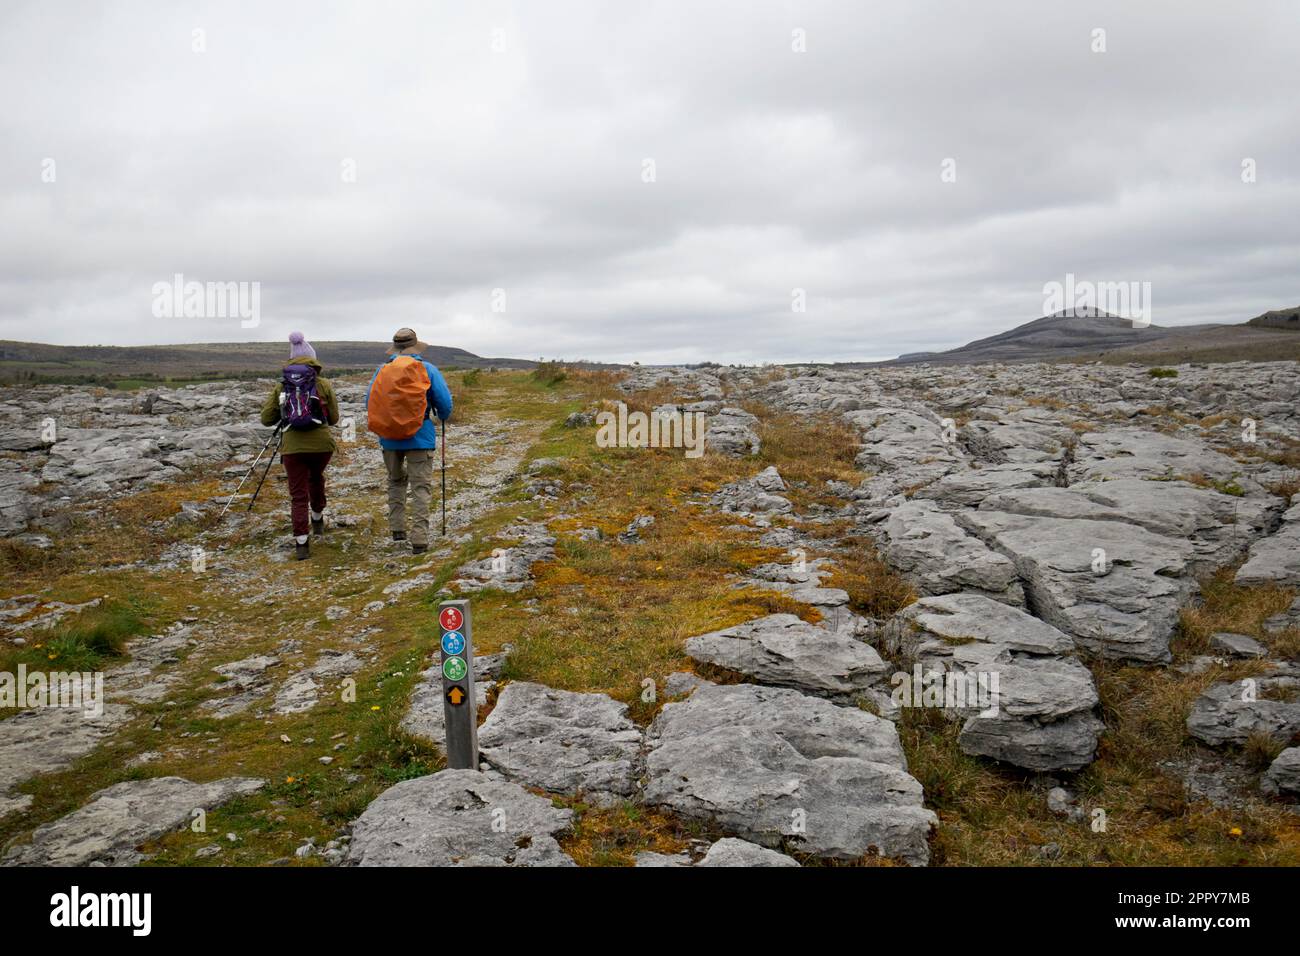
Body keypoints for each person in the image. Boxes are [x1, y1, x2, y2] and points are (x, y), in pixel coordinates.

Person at [366, 328, 453, 554]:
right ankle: (420, 540)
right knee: (420, 487)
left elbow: (369, 401)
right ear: (415, 346)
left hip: (389, 438)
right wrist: (441, 416)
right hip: (420, 437)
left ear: (395, 347)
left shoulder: (382, 370)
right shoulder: (428, 369)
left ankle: (397, 530)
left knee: (395, 482)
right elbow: (445, 404)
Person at [259, 331, 340, 560]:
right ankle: (317, 517)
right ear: (313, 360)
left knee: (297, 494)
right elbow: (333, 418)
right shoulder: (323, 384)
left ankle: (302, 544)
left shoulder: (282, 386)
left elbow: (266, 419)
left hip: (293, 447)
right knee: (316, 478)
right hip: (322, 445)